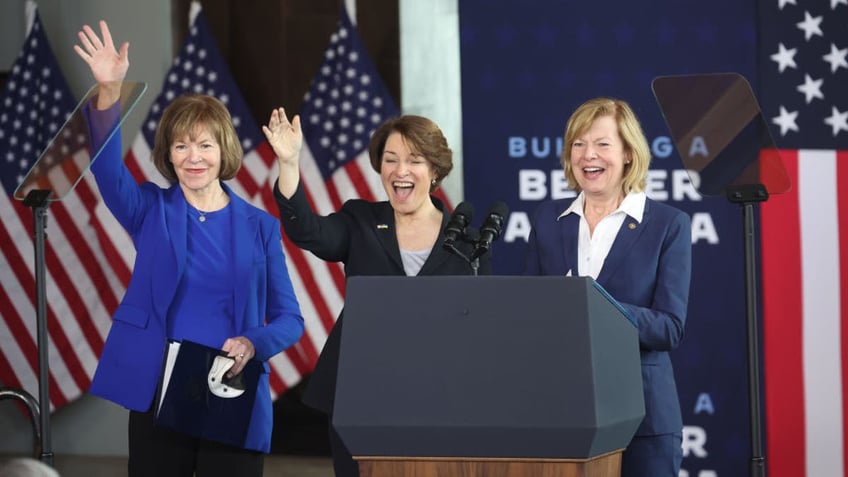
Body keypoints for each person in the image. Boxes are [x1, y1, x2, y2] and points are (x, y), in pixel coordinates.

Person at [73, 21, 305, 477]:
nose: (192, 156)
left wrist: (252, 342)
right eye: (180, 146)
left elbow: (290, 320)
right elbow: (106, 171)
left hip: (231, 390)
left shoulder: (260, 227)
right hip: (158, 388)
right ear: (169, 153)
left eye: (204, 145)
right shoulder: (149, 210)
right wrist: (108, 91)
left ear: (224, 151)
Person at [264, 109, 492, 476]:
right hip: (359, 393)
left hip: (440, 398)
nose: (401, 171)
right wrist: (289, 163)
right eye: (390, 160)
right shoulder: (360, 221)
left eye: (414, 160)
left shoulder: (467, 241)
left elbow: (482, 324)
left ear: (434, 171)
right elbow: (308, 231)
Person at [523, 97, 690, 476]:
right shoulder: (549, 219)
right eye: (578, 144)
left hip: (643, 417)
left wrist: (594, 307)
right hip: (561, 412)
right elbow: (528, 314)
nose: (587, 155)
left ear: (629, 153)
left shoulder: (668, 224)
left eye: (601, 144)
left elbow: (669, 327)